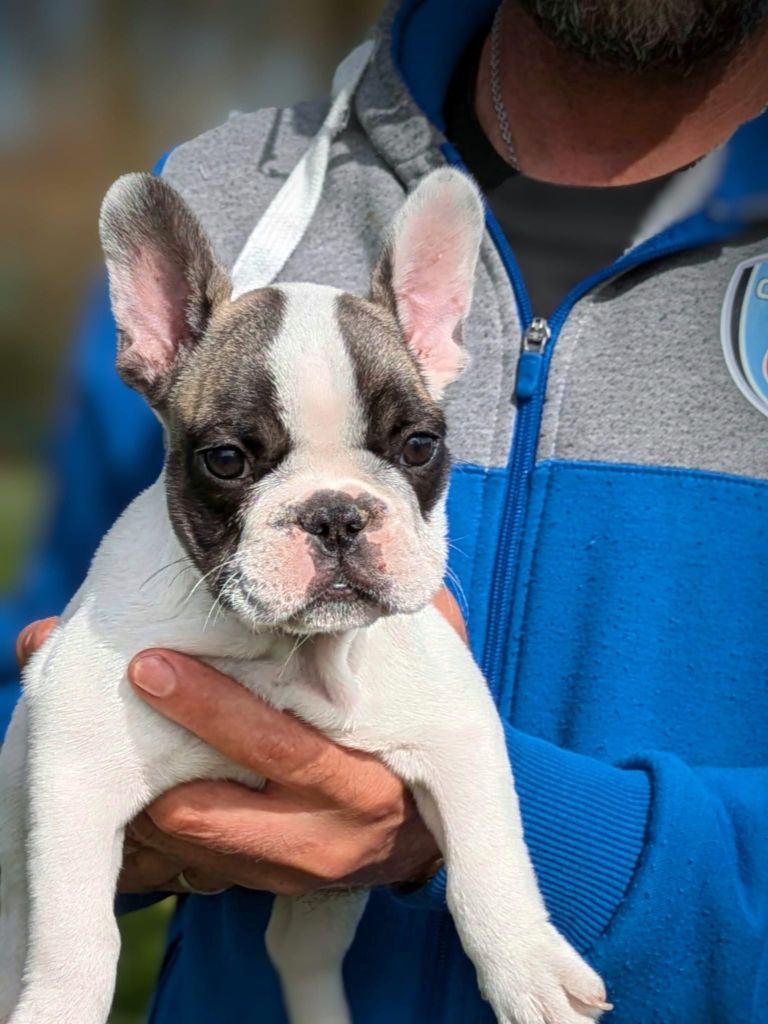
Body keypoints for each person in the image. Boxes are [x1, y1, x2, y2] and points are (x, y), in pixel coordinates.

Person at [5, 0, 768, 1020]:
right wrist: (121, 825)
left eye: (408, 450)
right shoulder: (221, 192)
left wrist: (550, 842)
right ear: (157, 340)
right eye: (235, 461)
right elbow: (30, 683)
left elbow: (454, 740)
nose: (334, 521)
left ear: (432, 331)